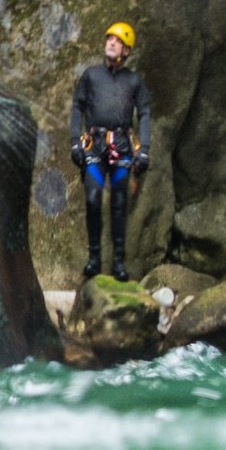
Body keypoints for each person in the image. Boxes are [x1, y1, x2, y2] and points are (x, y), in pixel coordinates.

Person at [69, 20, 153, 280]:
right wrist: (75, 141)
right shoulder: (91, 75)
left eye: (117, 41)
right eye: (109, 39)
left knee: (119, 203)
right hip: (95, 146)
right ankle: (94, 259)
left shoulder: (134, 81)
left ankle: (118, 262)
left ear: (126, 50)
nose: (111, 43)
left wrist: (145, 149)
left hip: (122, 148)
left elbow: (146, 113)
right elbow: (77, 106)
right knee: (93, 200)